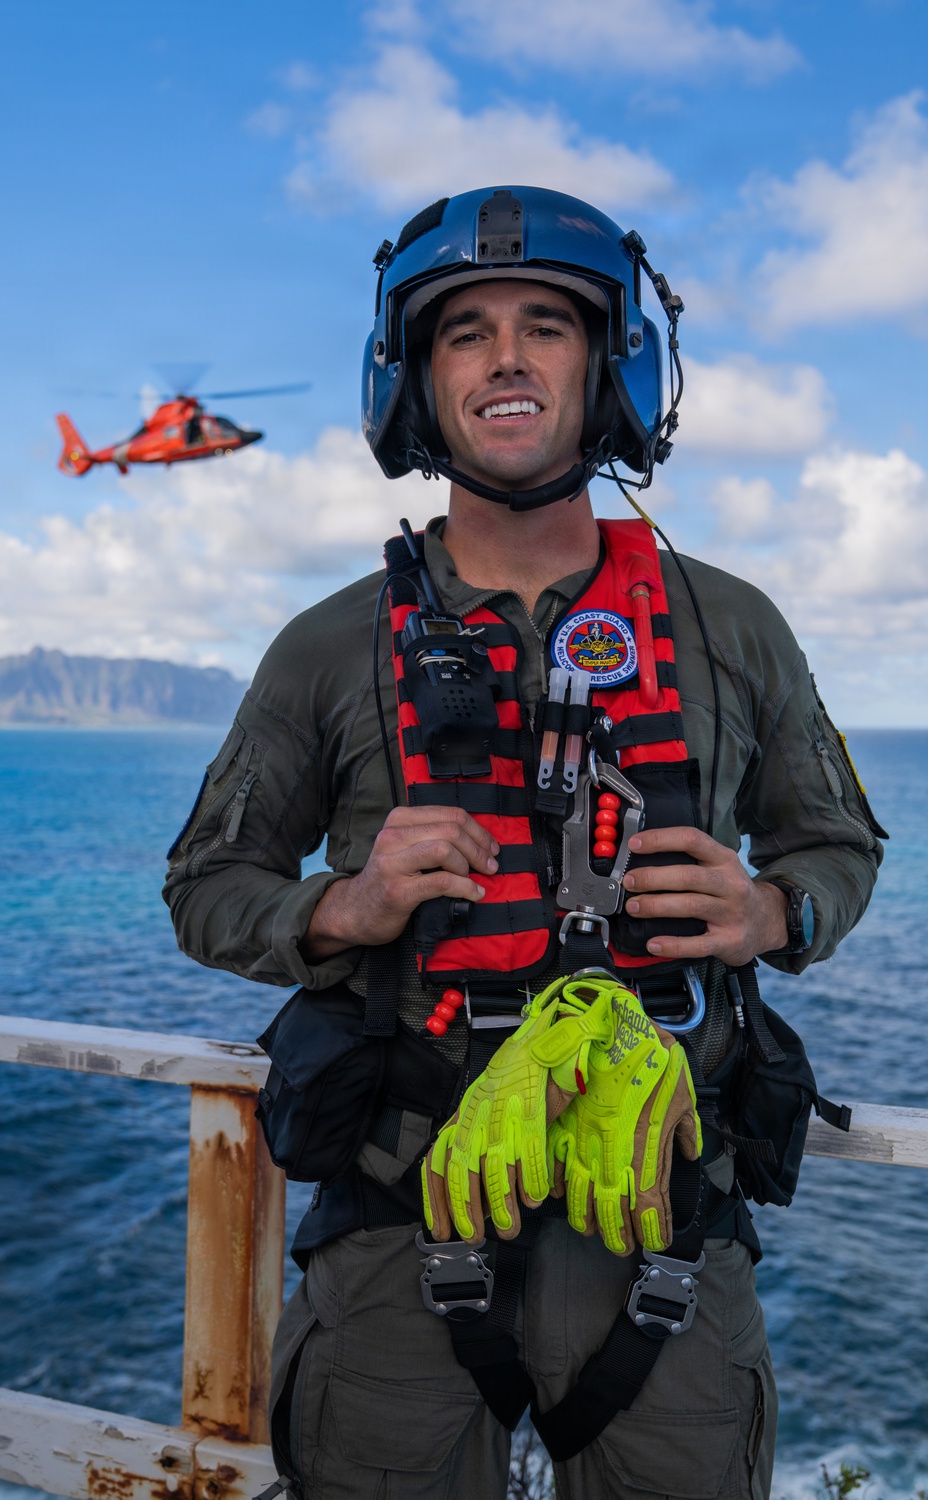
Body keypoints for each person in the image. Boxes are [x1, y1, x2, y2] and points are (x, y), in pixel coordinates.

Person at [164, 186, 883, 1500]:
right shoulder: (328, 648)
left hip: (667, 1214)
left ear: (608, 366)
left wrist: (776, 913)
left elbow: (839, 846)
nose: (505, 356)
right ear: (414, 381)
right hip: (403, 1216)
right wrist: (342, 909)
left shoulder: (733, 626)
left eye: (546, 325)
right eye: (464, 332)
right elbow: (208, 886)